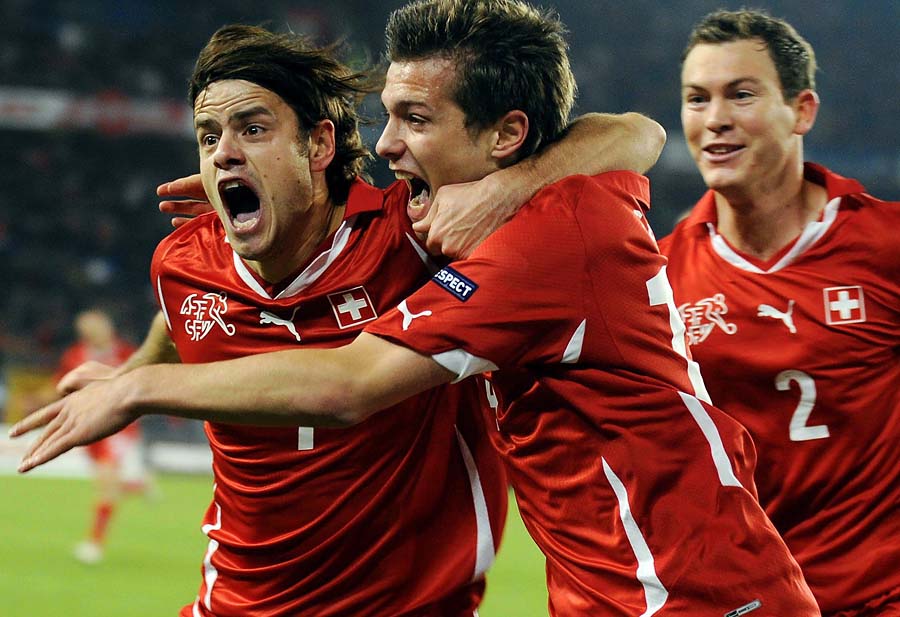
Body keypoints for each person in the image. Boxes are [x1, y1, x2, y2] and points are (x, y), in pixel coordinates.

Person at [12, 1, 821, 614]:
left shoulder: (481, 241)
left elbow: (348, 385)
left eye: (415, 119)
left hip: (685, 591)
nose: (390, 145)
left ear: (506, 134)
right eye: (210, 135)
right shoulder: (188, 260)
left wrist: (132, 388)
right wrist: (259, 194)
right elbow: (185, 317)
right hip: (596, 583)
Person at [657, 9, 900, 616]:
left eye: (741, 95)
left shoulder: (886, 247)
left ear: (803, 110)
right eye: (696, 99)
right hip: (749, 602)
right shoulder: (659, 277)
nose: (715, 120)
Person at [55, 308, 154, 565]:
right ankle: (137, 485)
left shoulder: (125, 352)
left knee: (105, 486)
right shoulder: (75, 354)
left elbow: (143, 380)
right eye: (86, 327)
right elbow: (63, 386)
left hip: (116, 427)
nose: (92, 331)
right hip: (87, 426)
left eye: (96, 326)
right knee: (107, 483)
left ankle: (94, 545)